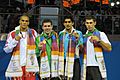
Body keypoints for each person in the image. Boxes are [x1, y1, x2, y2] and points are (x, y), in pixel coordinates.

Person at [4, 14, 39, 80]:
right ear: (19, 21)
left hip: (30, 66)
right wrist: (15, 40)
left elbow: (37, 48)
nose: (24, 22)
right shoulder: (13, 34)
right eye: (22, 20)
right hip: (17, 66)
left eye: (26, 21)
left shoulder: (33, 33)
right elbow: (6, 50)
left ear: (28, 23)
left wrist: (39, 48)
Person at [82, 15, 112, 80]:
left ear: (94, 23)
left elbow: (109, 48)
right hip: (85, 66)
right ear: (85, 24)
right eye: (87, 23)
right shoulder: (84, 36)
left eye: (91, 23)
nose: (89, 25)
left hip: (96, 66)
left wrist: (99, 41)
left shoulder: (101, 34)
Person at [59, 16, 83, 80]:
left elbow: (82, 49)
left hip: (75, 60)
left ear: (72, 23)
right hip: (63, 60)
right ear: (63, 24)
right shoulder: (61, 34)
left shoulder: (78, 33)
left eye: (69, 22)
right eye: (66, 22)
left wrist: (77, 39)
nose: (67, 24)